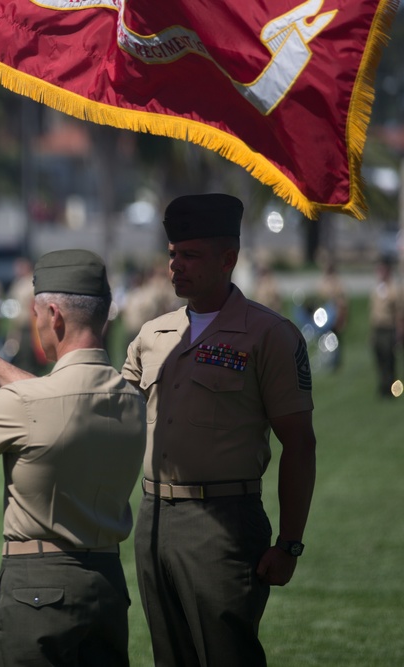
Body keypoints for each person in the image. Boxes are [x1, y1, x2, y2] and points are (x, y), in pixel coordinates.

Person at [121, 193, 317, 667]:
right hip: (153, 519)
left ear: (228, 259)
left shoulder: (268, 334)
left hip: (222, 523)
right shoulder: (153, 335)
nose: (176, 267)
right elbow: (106, 412)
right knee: (170, 657)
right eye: (173, 255)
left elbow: (299, 443)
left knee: (227, 656)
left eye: (191, 256)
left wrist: (290, 542)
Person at [0, 249, 146, 667]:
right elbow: (48, 399)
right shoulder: (132, 398)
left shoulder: (27, 403)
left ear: (55, 317)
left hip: (38, 587)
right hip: (107, 584)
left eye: (38, 316)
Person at [369, 257, 403, 398]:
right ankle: (382, 385)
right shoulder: (377, 289)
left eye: (382, 269)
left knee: (390, 359)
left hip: (389, 329)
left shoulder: (394, 289)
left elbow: (399, 313)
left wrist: (400, 332)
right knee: (379, 358)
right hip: (377, 329)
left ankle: (392, 389)